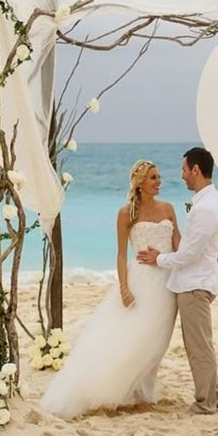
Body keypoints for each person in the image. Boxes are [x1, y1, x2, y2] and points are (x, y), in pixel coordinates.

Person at [39, 159, 180, 417]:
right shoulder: (126, 213)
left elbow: (180, 246)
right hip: (141, 281)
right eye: (153, 178)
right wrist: (125, 289)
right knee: (139, 337)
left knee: (158, 342)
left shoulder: (169, 209)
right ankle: (140, 396)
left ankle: (144, 392)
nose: (159, 181)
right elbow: (120, 255)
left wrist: (205, 254)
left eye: (159, 177)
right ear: (139, 183)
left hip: (167, 283)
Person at [137, 146, 218, 415]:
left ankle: (205, 402)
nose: (182, 175)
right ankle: (216, 397)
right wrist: (212, 251)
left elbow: (189, 253)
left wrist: (159, 259)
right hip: (195, 279)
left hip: (194, 284)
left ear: (196, 170)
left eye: (184, 170)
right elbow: (200, 245)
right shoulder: (212, 201)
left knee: (199, 348)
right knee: (201, 344)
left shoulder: (207, 208)